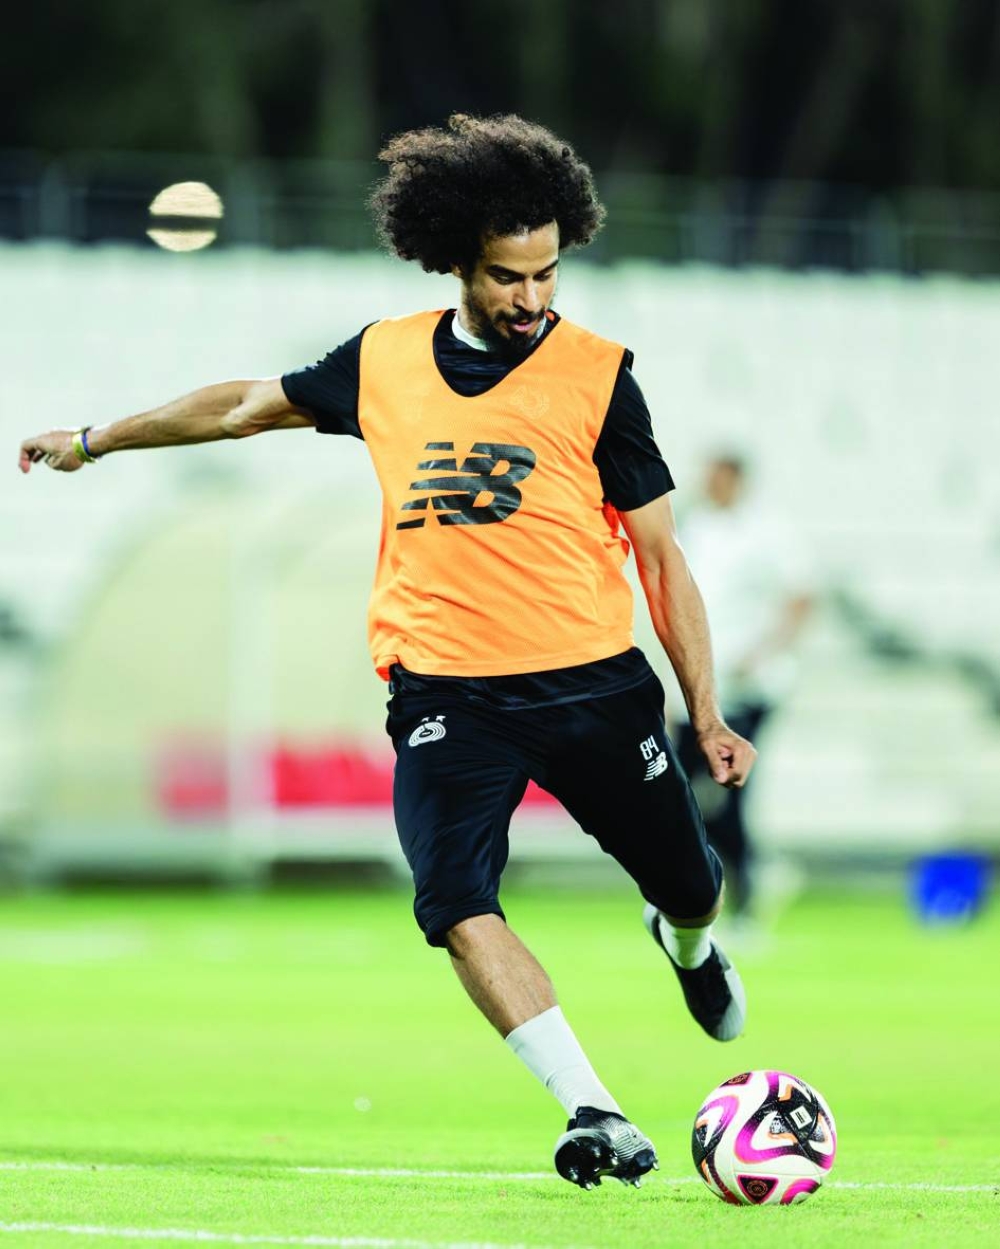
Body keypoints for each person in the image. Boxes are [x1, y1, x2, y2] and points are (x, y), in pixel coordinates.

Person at [19, 114, 756, 1191]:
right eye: (509, 277)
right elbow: (239, 406)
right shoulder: (383, 359)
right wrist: (94, 439)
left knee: (692, 886)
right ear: (457, 259)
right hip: (446, 690)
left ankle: (685, 941)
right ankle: (593, 1108)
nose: (532, 298)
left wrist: (706, 709)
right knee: (453, 902)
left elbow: (660, 554)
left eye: (548, 273)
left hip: (594, 687)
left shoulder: (600, 378)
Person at [674, 455, 812, 923]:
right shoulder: (692, 526)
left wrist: (765, 652)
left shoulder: (768, 531)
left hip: (748, 685)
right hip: (698, 685)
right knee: (682, 789)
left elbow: (800, 596)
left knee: (729, 789)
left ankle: (746, 898)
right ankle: (750, 874)